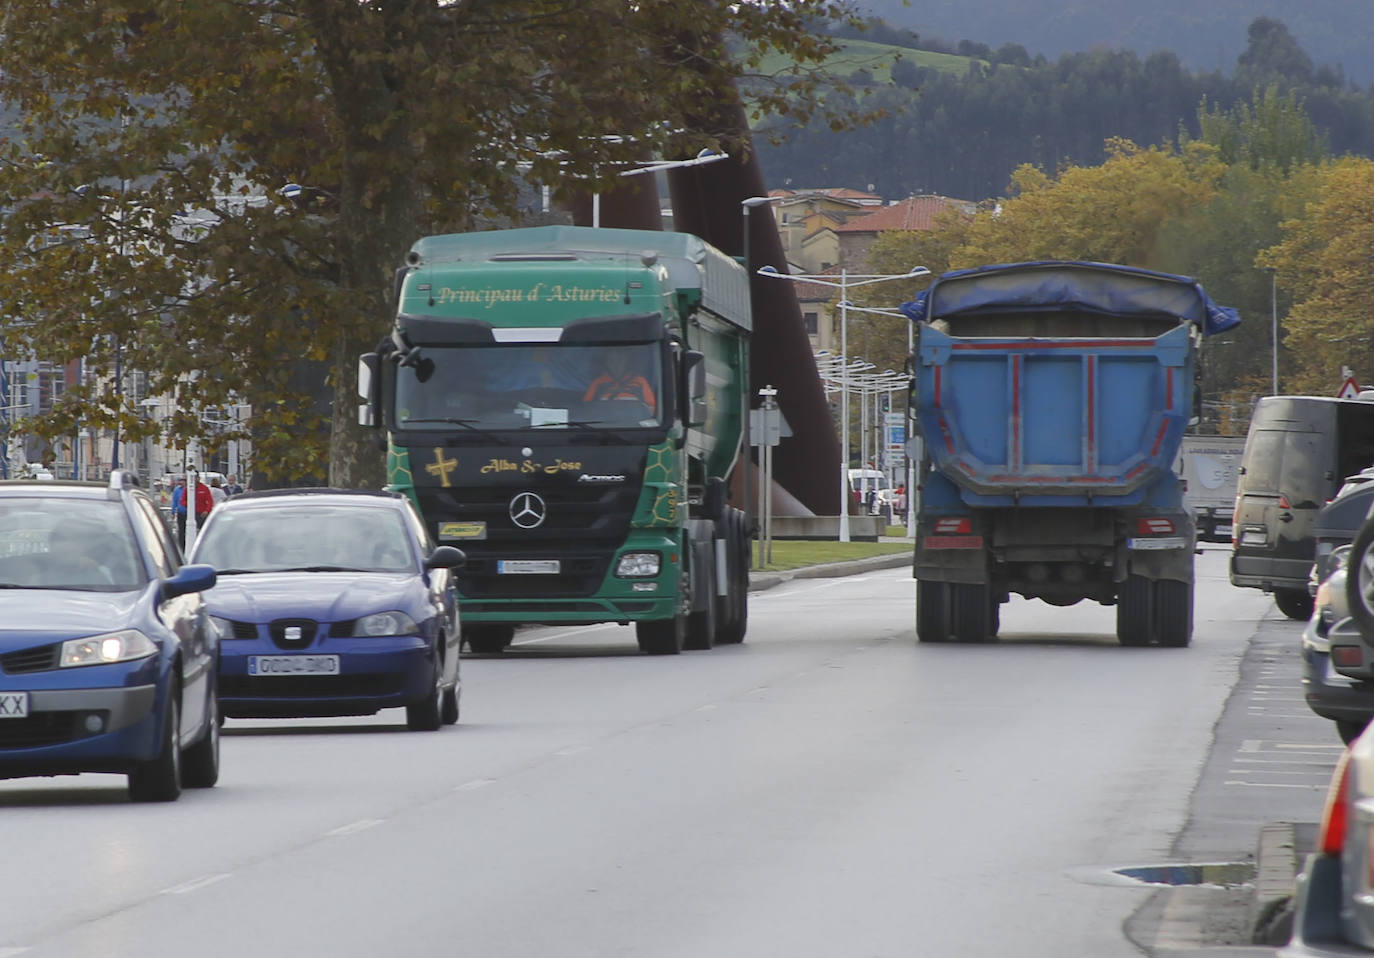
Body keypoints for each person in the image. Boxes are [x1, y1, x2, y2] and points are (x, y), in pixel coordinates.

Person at [583, 351, 657, 412]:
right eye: (612, 360)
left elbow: (652, 409)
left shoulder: (640, 381)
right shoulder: (598, 383)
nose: (616, 364)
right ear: (606, 363)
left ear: (626, 362)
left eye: (620, 360)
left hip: (634, 425)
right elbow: (587, 409)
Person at [171, 470, 214, 548]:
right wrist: (189, 505)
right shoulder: (187, 489)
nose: (194, 479)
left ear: (198, 478)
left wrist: (206, 511)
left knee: (202, 533)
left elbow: (210, 501)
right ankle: (182, 549)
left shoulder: (204, 488)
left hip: (201, 515)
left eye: (196, 477)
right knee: (183, 533)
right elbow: (182, 501)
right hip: (189, 514)